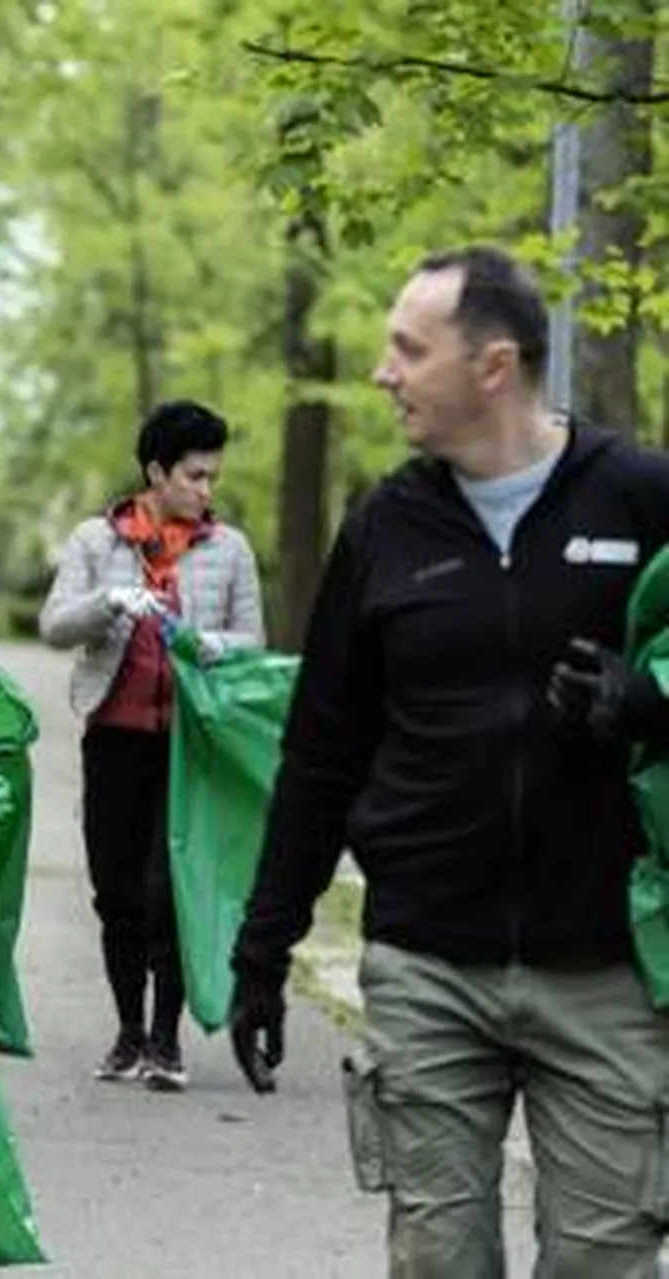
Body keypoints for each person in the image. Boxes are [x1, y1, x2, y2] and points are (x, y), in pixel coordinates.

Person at [229, 245, 669, 1277]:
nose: (384, 371)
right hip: (427, 965)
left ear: (492, 366)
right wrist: (262, 952)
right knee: (438, 1258)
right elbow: (321, 752)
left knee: (605, 1263)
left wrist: (653, 702)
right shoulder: (386, 526)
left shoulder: (640, 497)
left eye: (407, 348)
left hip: (607, 969)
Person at [39, 399, 263, 1091]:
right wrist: (111, 601)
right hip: (113, 739)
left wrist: (208, 644)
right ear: (156, 471)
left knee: (171, 891)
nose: (206, 490)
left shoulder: (230, 549)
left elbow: (254, 641)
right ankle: (128, 1031)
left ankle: (167, 1040)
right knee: (117, 891)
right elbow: (53, 625)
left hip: (192, 749)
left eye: (212, 478)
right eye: (194, 476)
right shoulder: (96, 540)